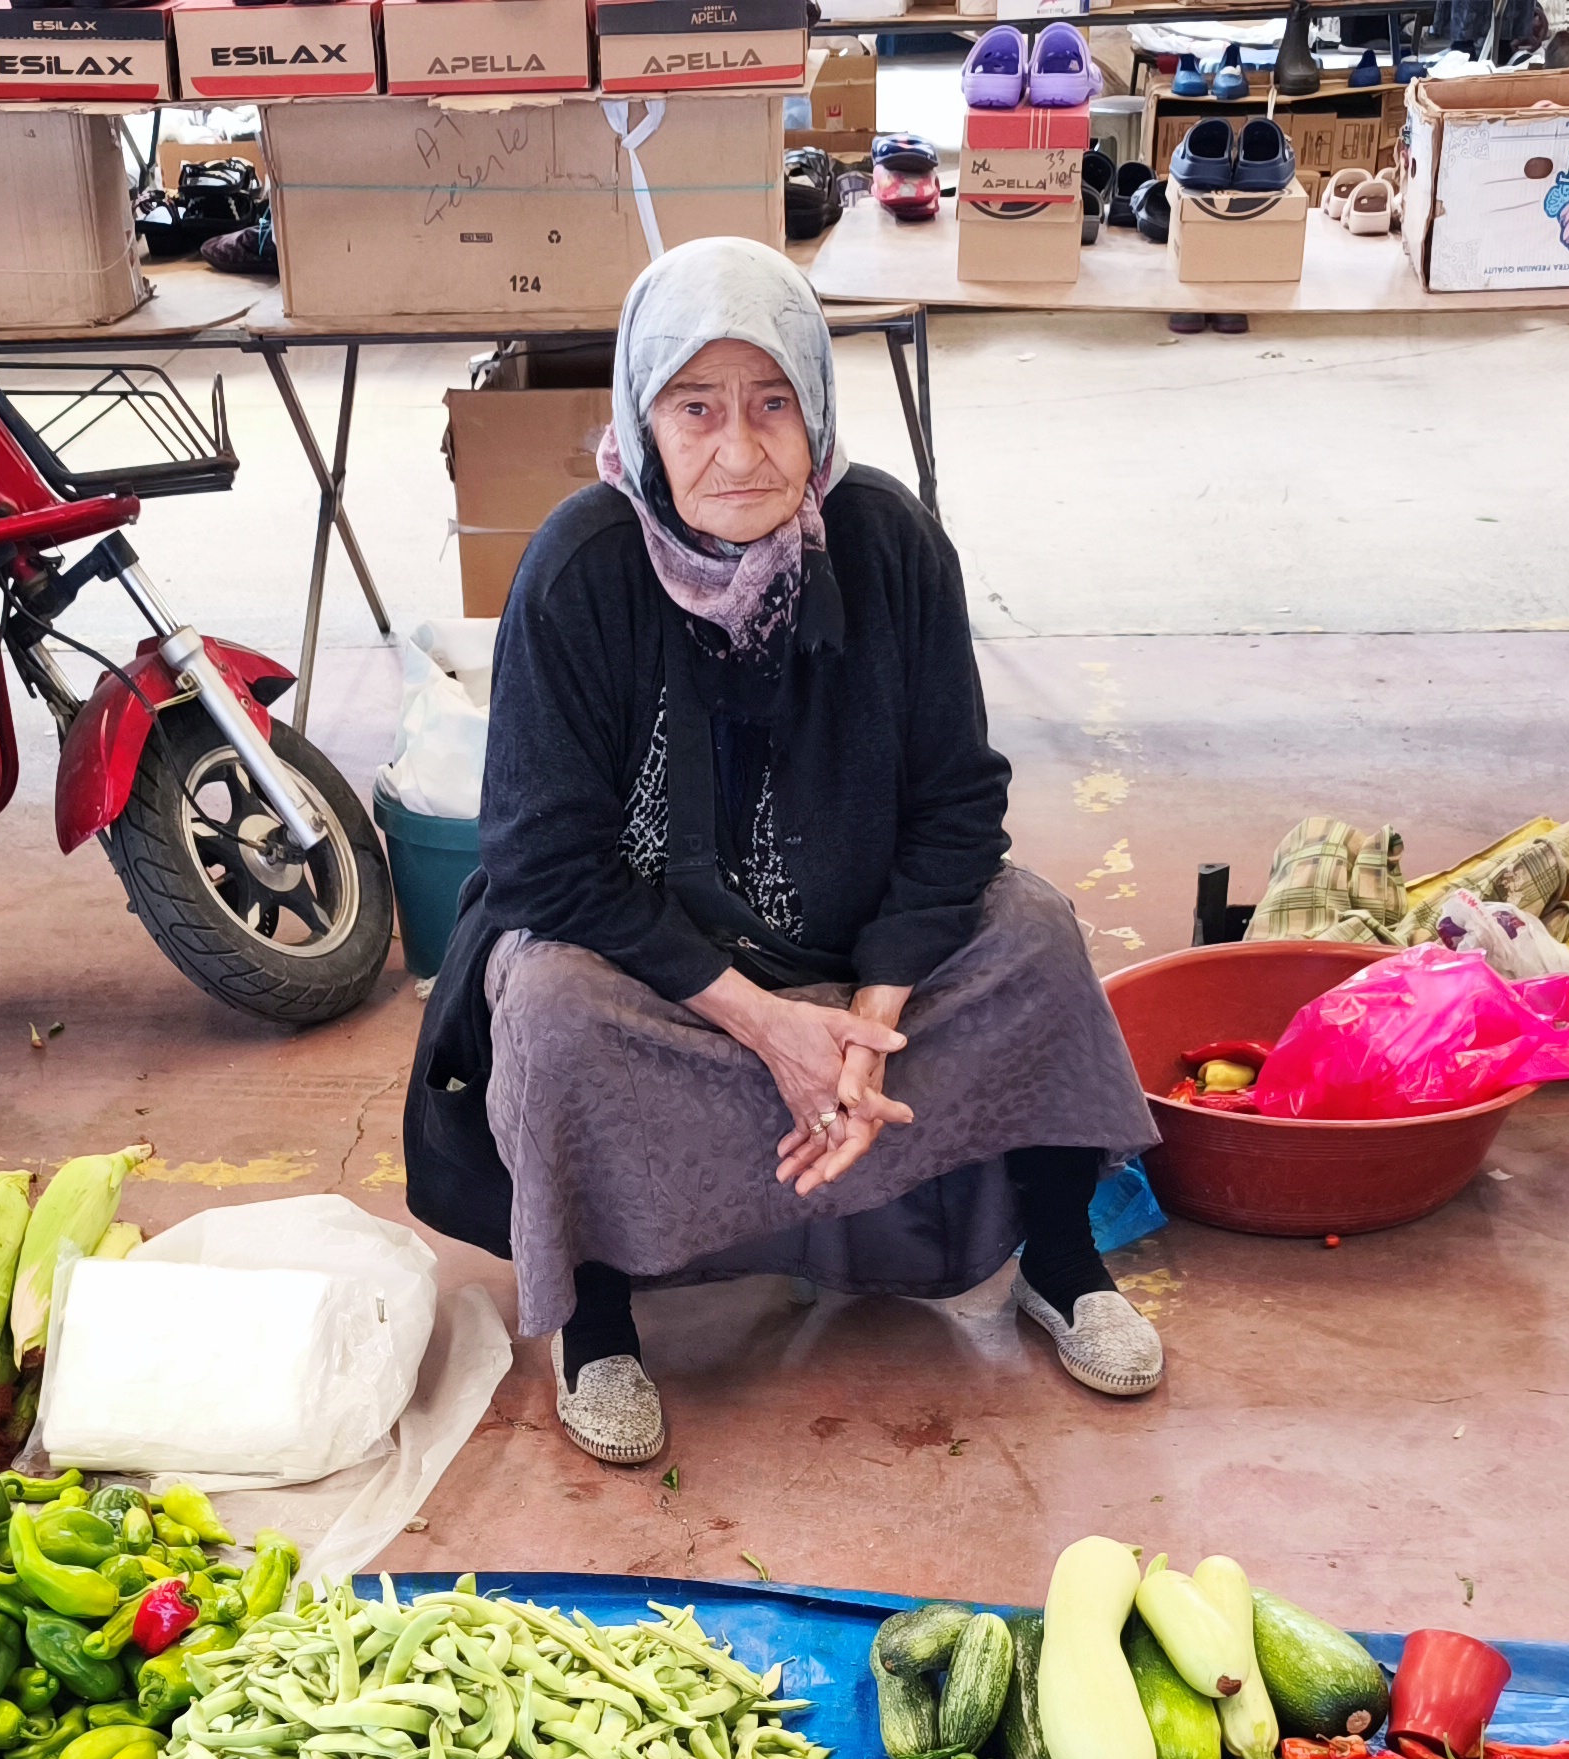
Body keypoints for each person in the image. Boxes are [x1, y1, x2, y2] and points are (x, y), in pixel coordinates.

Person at [399, 238, 1163, 1468]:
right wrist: (770, 1027)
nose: (739, 450)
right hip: (660, 970)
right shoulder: (578, 570)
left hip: (858, 953)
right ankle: (597, 1320)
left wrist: (864, 1018)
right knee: (545, 1006)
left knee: (1034, 937)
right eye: (694, 408)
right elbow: (543, 861)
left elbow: (957, 805)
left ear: (818, 409)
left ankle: (1059, 1259)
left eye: (773, 405)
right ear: (643, 419)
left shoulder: (889, 545)